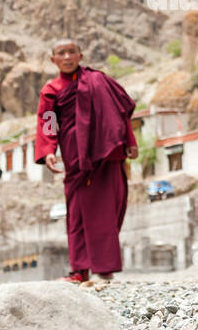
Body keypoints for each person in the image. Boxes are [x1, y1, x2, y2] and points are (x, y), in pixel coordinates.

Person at [34, 40, 137, 284]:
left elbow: (120, 113)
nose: (67, 57)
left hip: (109, 152)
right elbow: (48, 121)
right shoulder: (52, 89)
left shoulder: (99, 80)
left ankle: (104, 268)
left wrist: (130, 140)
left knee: (110, 209)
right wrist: (48, 149)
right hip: (78, 157)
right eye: (61, 53)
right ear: (53, 60)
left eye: (72, 52)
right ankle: (80, 269)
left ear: (81, 55)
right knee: (78, 212)